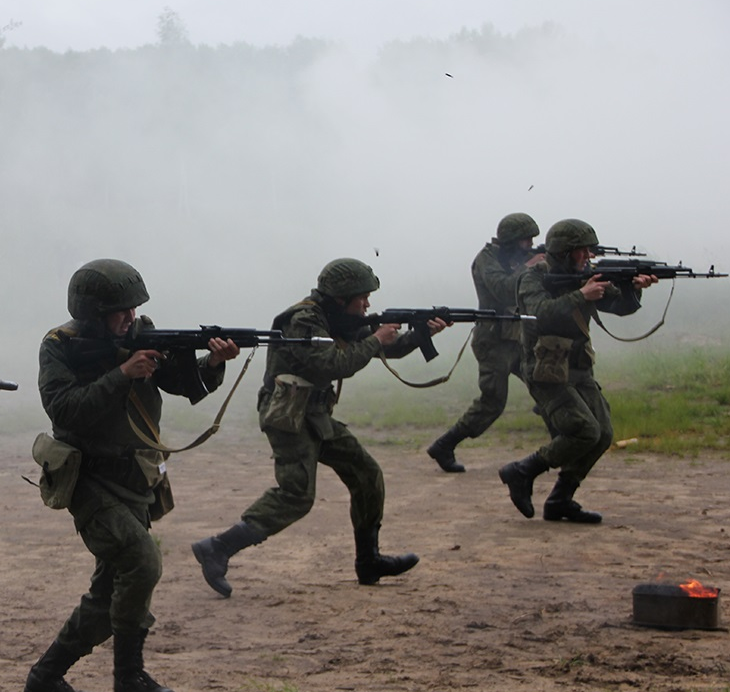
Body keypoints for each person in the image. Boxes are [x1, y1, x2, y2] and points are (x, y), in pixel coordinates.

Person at [23, 258, 239, 692]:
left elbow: (186, 384)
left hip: (135, 480)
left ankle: (46, 678)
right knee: (142, 562)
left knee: (108, 597)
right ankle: (130, 678)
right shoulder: (60, 347)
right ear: (90, 313)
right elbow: (65, 411)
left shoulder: (141, 336)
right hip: (89, 481)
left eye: (135, 309)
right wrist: (122, 374)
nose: (131, 318)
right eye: (121, 311)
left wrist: (213, 363)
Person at [191, 258, 448, 598]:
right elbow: (332, 364)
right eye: (363, 298)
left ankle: (368, 560)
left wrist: (422, 332)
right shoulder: (305, 320)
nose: (368, 305)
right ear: (342, 297)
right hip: (288, 416)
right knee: (296, 495)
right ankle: (218, 547)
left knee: (367, 473)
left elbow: (390, 348)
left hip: (315, 414)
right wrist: (375, 339)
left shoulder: (339, 317)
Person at [498, 219, 657, 523]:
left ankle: (560, 499)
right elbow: (537, 314)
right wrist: (581, 295)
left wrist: (631, 289)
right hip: (546, 368)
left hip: (579, 366)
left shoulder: (581, 276)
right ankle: (522, 471)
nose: (587, 256)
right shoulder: (534, 277)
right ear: (563, 251)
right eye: (581, 251)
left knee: (603, 434)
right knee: (585, 430)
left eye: (589, 250)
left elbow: (618, 306)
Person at [427, 213, 545, 472]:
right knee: (493, 402)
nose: (530, 245)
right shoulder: (486, 260)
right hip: (493, 342)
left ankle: (565, 443)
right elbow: (503, 289)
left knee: (547, 385)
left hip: (518, 338)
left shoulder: (518, 259)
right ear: (512, 240)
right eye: (526, 240)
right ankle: (444, 445)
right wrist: (531, 265)